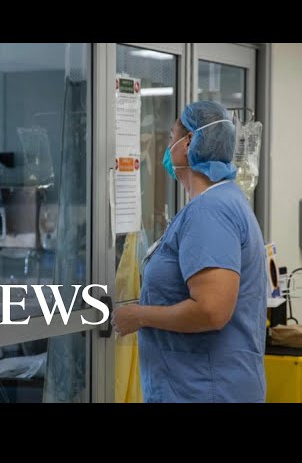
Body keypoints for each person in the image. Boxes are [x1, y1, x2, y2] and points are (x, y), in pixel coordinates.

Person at [111, 100, 267, 403]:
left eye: (172, 137)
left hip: (205, 390)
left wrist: (139, 316)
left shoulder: (210, 210)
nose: (167, 147)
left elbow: (211, 310)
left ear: (189, 142)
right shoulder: (219, 202)